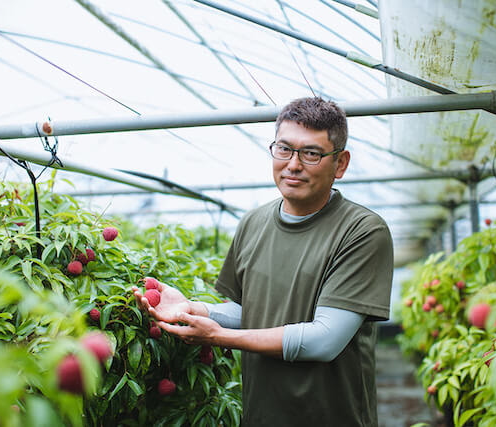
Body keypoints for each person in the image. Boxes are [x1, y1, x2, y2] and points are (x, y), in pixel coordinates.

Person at [133, 97, 393, 427]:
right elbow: (248, 313)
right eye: (284, 149)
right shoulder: (253, 223)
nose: (293, 164)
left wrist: (216, 337)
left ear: (340, 164)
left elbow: (324, 340)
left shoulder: (362, 231)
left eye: (311, 153)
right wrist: (196, 309)